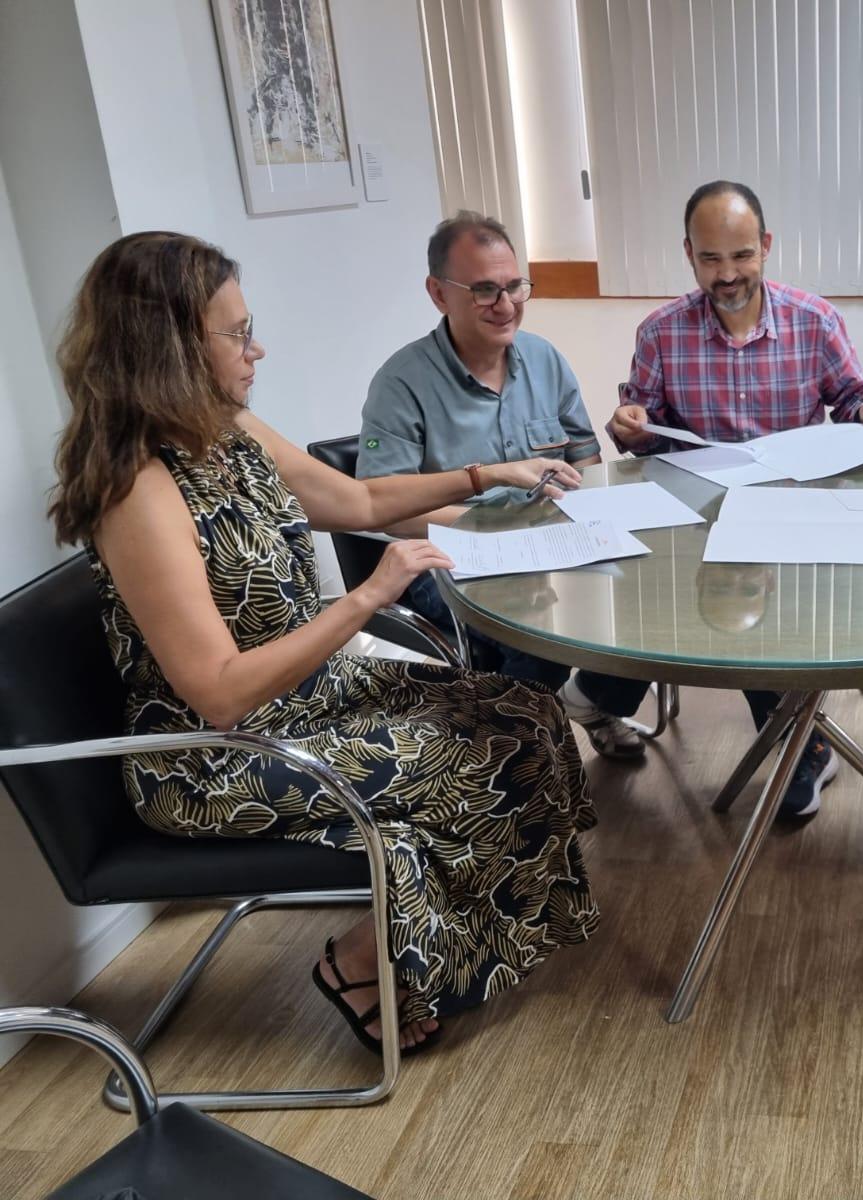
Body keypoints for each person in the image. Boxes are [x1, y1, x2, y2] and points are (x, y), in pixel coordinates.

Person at [51, 231, 601, 1054]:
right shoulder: (139, 490)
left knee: (525, 711)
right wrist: (369, 596)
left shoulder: (227, 431)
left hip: (302, 700)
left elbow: (361, 500)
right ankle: (362, 964)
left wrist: (487, 478)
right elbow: (220, 691)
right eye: (235, 334)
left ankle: (433, 957)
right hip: (211, 753)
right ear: (168, 347)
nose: (256, 347)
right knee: (480, 755)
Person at [606, 179, 863, 821]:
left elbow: (853, 394)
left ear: (765, 246)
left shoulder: (813, 319)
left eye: (741, 256)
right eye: (710, 259)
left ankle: (800, 746)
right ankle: (802, 745)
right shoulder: (661, 332)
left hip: (795, 512)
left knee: (761, 599)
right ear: (689, 254)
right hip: (700, 521)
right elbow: (643, 424)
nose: (727, 274)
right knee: (714, 589)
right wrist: (629, 425)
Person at [356, 210, 652, 762]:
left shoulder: (544, 359)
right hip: (448, 557)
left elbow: (586, 467)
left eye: (515, 286)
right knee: (538, 617)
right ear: (439, 294)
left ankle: (588, 702)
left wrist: (603, 515)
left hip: (550, 543)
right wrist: (497, 529)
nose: (507, 304)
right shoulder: (402, 383)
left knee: (646, 585)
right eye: (485, 291)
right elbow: (383, 510)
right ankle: (516, 764)